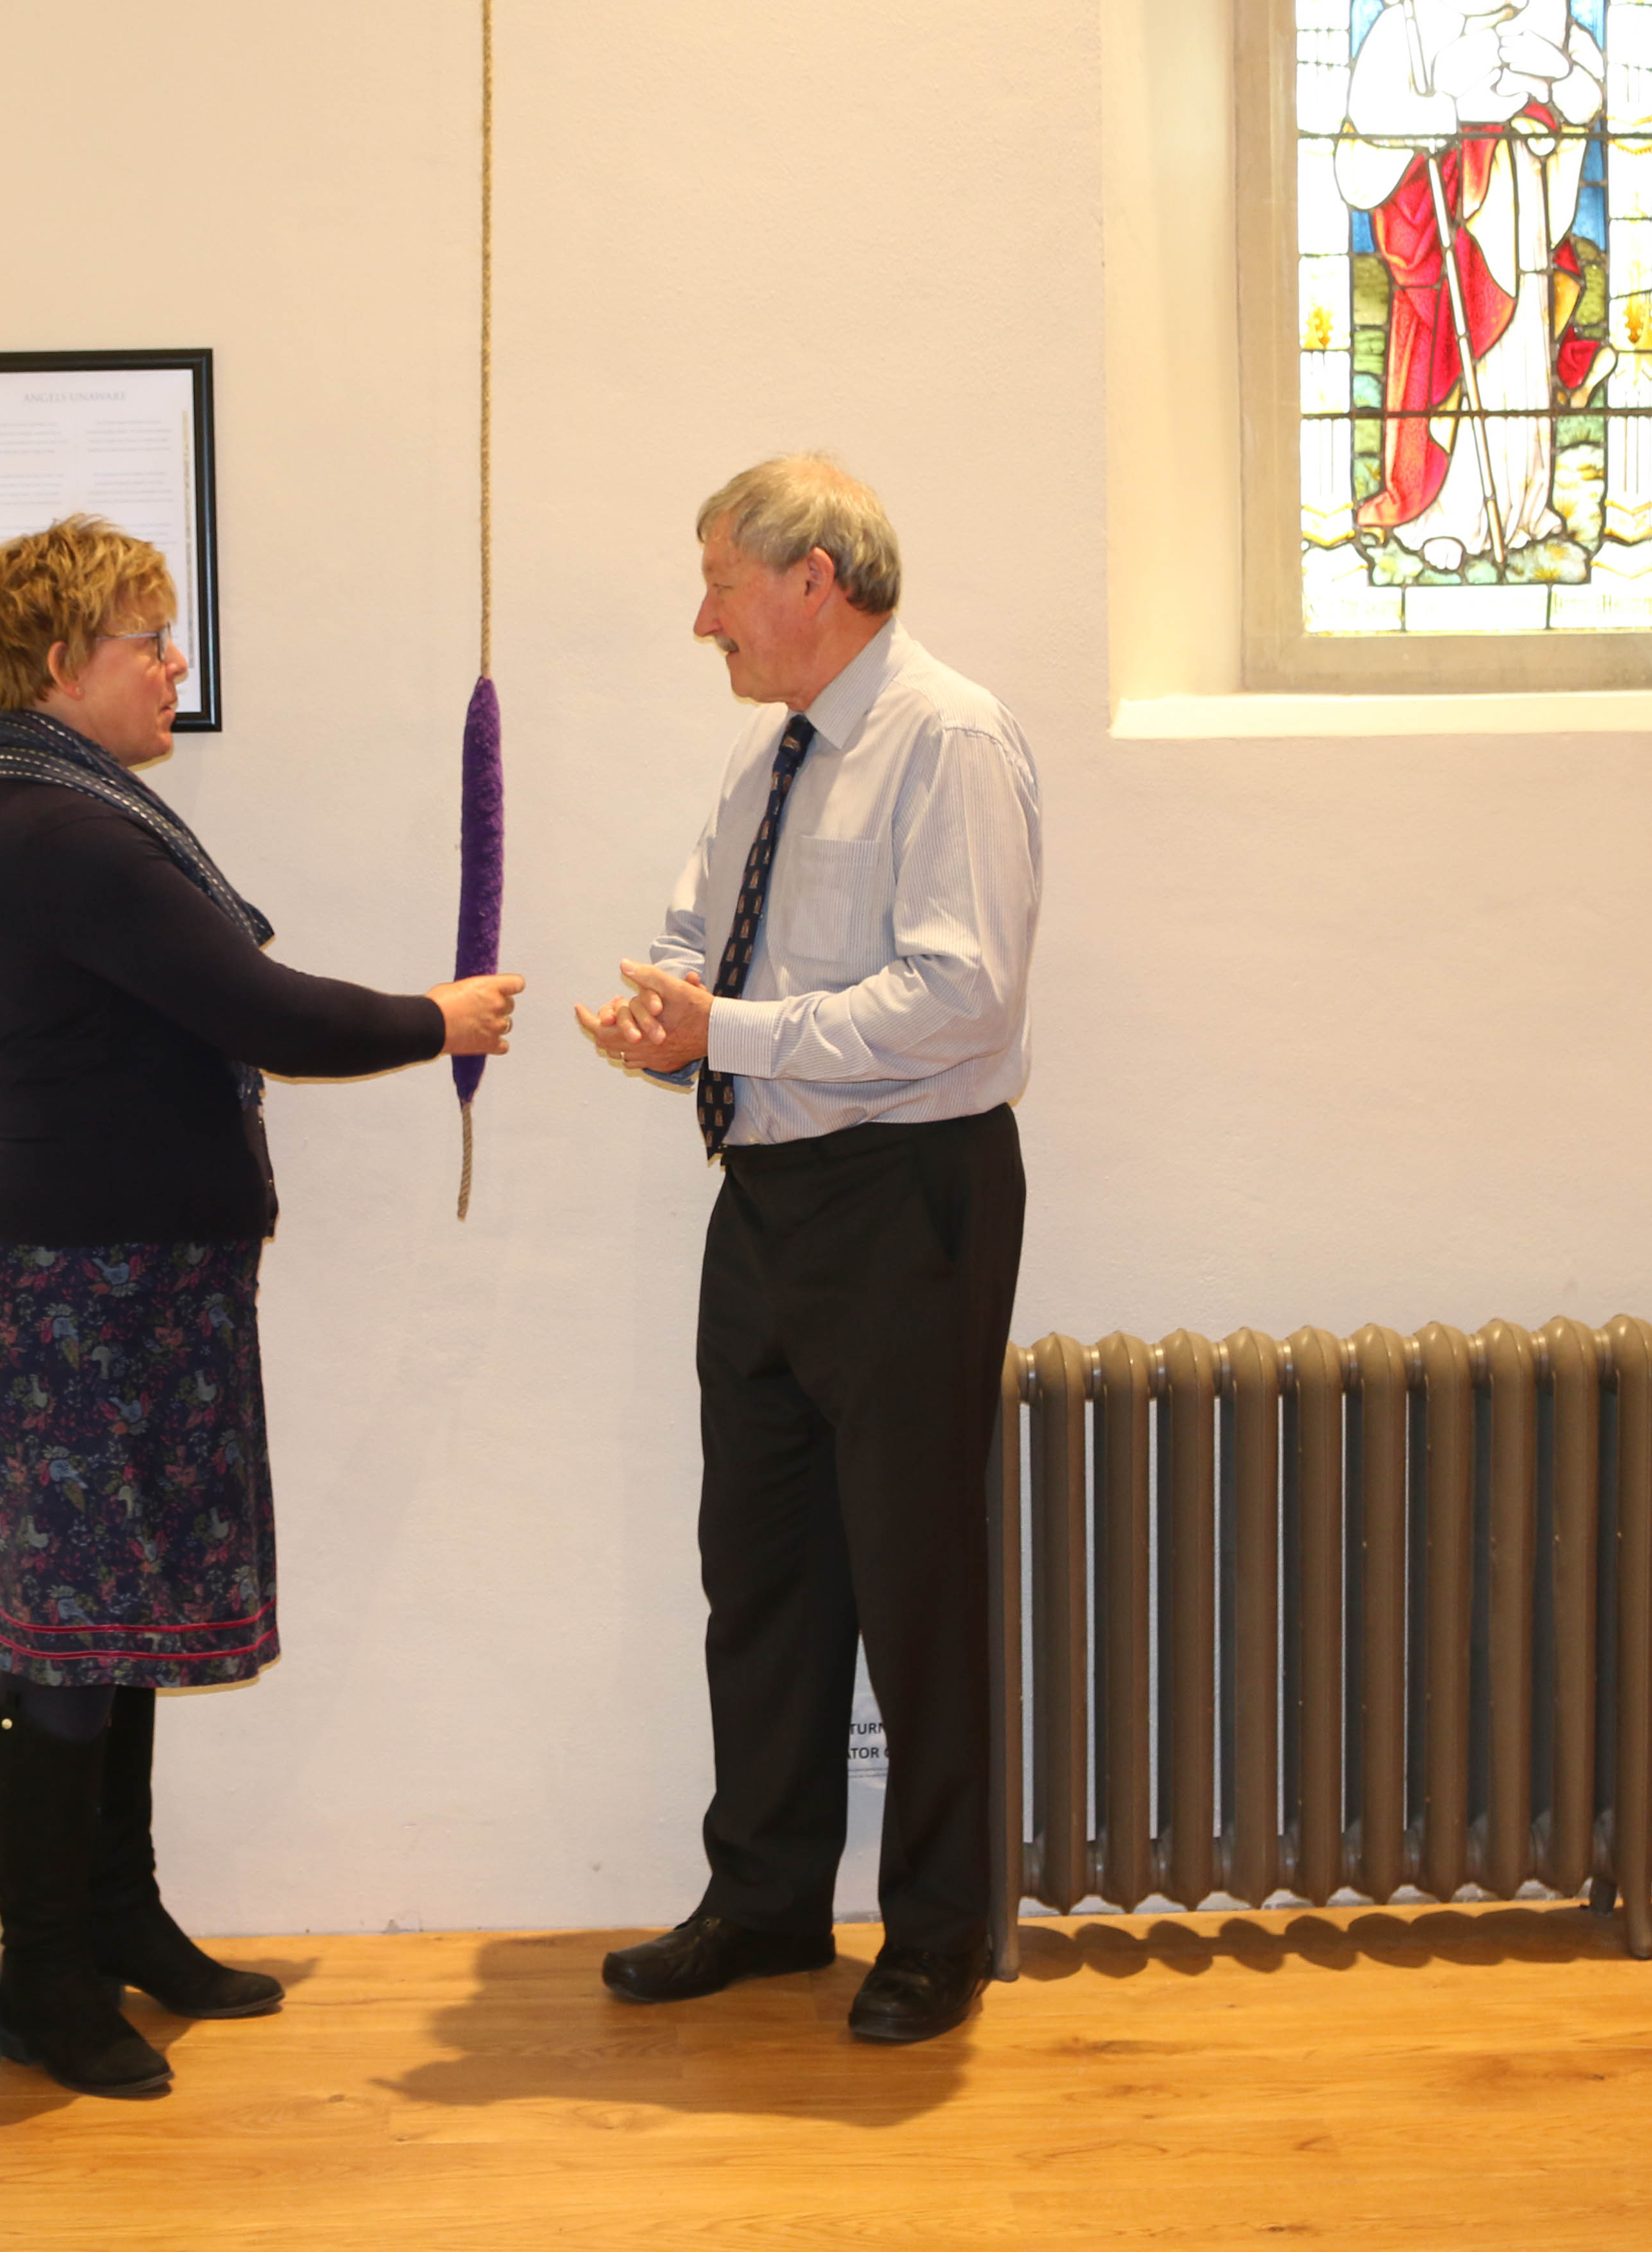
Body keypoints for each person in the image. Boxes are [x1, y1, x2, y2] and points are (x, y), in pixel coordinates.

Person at [0, 514, 523, 2099]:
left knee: (111, 1631)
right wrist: (438, 1017)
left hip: (134, 1284)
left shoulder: (64, 810)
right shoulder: (64, 836)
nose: (175, 669)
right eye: (152, 640)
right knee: (65, 1651)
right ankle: (49, 1978)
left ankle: (122, 1920)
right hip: (80, 1294)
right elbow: (255, 1007)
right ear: (65, 663)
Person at [576, 456, 1039, 2044]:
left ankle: (937, 1933)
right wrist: (665, 1012)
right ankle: (769, 1902)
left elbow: (961, 995)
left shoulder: (951, 740)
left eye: (720, 582)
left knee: (915, 1580)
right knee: (761, 1573)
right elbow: (705, 933)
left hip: (912, 1200)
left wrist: (736, 1026)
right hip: (765, 1203)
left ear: (815, 579)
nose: (703, 617)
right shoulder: (763, 759)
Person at [1336, 0, 1611, 569]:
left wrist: (1555, 75)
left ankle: (1523, 505)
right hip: (1449, 230)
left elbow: (1589, 97)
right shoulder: (1405, 25)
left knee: (1521, 357)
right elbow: (1368, 117)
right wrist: (1445, 107)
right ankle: (1440, 516)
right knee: (1449, 358)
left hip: (1521, 218)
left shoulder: (1548, 21)